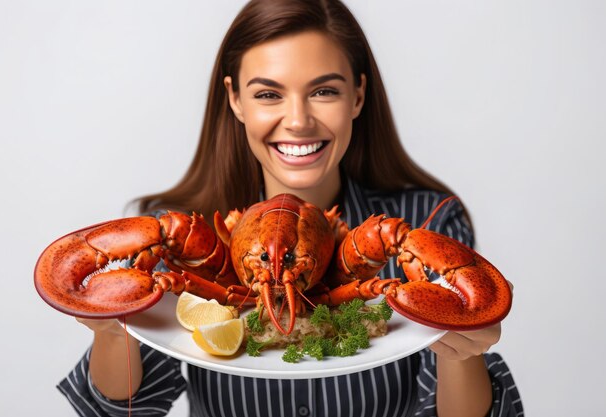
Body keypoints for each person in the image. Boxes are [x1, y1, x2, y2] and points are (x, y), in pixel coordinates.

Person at [58, 1, 523, 416]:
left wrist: (464, 353)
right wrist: (113, 331)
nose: (298, 120)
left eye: (324, 91)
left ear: (357, 96)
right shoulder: (178, 235)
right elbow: (119, 410)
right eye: (267, 94)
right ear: (235, 100)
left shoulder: (427, 218)